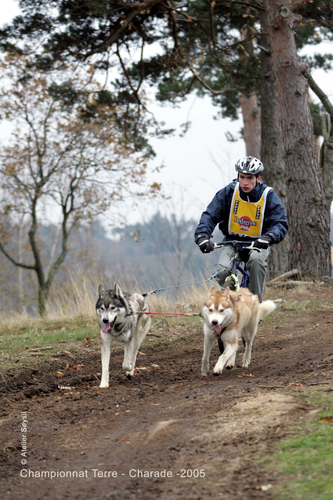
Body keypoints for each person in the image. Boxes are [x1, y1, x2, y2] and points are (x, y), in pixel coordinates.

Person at [194, 156, 288, 302]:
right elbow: (210, 215)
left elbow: (280, 223)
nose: (244, 182)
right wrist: (202, 235)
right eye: (242, 177)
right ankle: (233, 301)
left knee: (256, 261)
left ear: (258, 178)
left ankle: (255, 305)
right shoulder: (229, 192)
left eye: (249, 178)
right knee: (222, 271)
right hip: (232, 242)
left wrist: (269, 237)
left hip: (258, 243)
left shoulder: (268, 195)